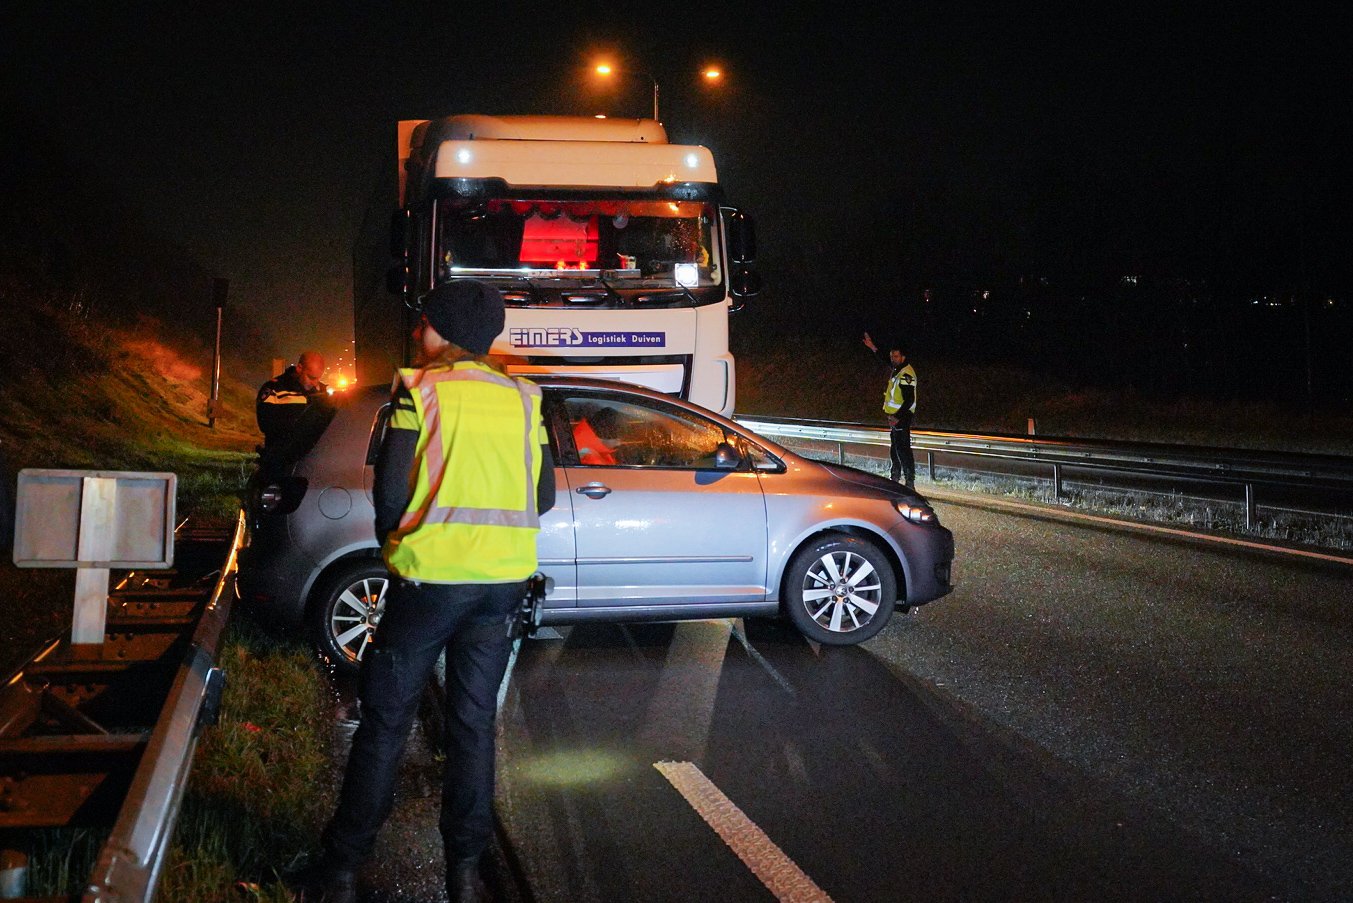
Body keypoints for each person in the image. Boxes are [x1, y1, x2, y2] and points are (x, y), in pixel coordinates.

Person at [313, 280, 555, 903]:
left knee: (386, 722)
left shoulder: (419, 390)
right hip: (502, 585)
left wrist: (399, 547)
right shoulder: (525, 398)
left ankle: (342, 868)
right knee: (473, 726)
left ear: (442, 330)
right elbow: (545, 496)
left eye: (424, 324)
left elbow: (391, 493)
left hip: (427, 582)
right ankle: (466, 874)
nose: (419, 334)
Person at [255, 351, 332, 474]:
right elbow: (266, 424)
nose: (315, 383)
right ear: (299, 368)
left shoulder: (321, 393)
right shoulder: (275, 389)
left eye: (318, 378)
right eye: (311, 377)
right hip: (281, 463)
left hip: (313, 463)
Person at [863, 331, 918, 487]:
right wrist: (873, 347)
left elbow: (909, 400)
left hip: (902, 417)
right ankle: (895, 477)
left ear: (903, 357)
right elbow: (884, 359)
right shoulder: (898, 369)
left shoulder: (906, 375)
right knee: (895, 448)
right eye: (892, 356)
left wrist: (897, 417)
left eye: (896, 356)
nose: (893, 359)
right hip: (894, 417)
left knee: (903, 449)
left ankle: (909, 481)